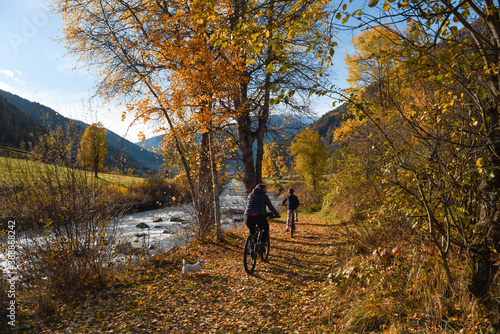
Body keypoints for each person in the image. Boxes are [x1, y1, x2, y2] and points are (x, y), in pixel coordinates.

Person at [244, 184, 280, 249]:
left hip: (247, 216)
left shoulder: (250, 195)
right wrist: (277, 214)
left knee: (252, 231)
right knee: (265, 228)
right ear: (261, 189)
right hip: (259, 216)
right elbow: (270, 206)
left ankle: (251, 245)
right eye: (265, 189)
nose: (266, 191)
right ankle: (262, 243)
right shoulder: (264, 196)